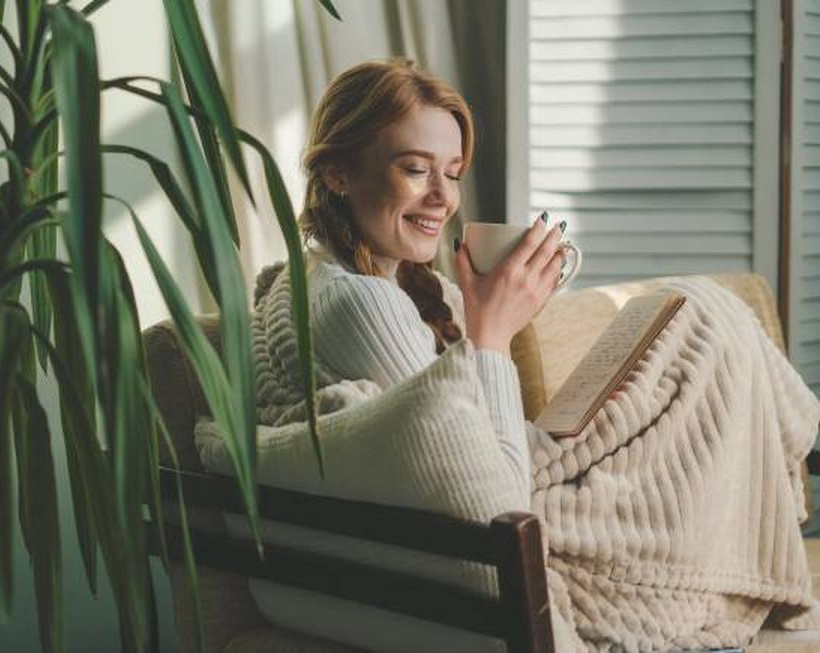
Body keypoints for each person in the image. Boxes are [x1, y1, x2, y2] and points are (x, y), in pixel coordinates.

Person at [244, 58, 820, 652]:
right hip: (507, 528)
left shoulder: (383, 286)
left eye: (453, 172)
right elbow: (491, 492)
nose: (443, 198)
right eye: (415, 170)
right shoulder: (359, 303)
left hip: (506, 492)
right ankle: (802, 436)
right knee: (699, 316)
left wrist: (487, 319)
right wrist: (492, 332)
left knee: (685, 326)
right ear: (338, 173)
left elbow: (474, 437)